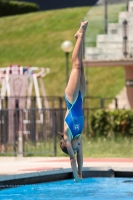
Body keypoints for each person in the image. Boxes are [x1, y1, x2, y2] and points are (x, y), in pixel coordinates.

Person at [58, 21, 88, 182]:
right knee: (82, 66)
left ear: (67, 143)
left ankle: (79, 35)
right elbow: (80, 158)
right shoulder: (79, 135)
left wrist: (76, 178)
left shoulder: (68, 133)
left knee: (76, 66)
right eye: (77, 148)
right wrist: (82, 174)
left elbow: (72, 159)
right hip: (81, 97)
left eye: (75, 148)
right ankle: (80, 37)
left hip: (71, 99)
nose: (78, 147)